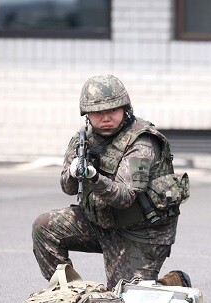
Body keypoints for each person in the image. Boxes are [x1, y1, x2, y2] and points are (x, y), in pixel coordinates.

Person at [32, 74, 190, 289]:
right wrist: (72, 172)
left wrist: (93, 177)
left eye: (112, 111)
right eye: (97, 113)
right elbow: (68, 188)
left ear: (125, 109)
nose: (105, 118)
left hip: (140, 233)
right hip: (101, 223)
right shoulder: (83, 140)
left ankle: (171, 283)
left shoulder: (142, 142)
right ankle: (67, 294)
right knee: (45, 226)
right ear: (87, 114)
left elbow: (124, 197)